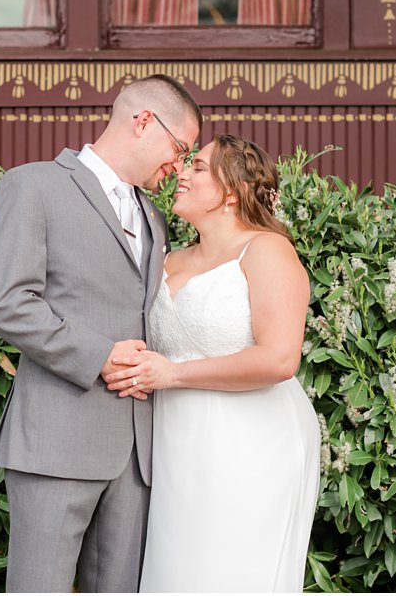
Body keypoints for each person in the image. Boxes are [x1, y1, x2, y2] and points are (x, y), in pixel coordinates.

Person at [0, 74, 203, 592]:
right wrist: (99, 355)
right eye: (179, 149)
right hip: (56, 438)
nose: (177, 167)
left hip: (135, 453)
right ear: (143, 121)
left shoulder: (153, 215)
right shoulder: (32, 185)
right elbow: (8, 302)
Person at [104, 135, 320, 592]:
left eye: (197, 167)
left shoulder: (266, 250)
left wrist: (174, 374)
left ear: (232, 190)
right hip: (174, 441)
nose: (181, 173)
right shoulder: (167, 258)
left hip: (251, 441)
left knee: (229, 568)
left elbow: (280, 358)